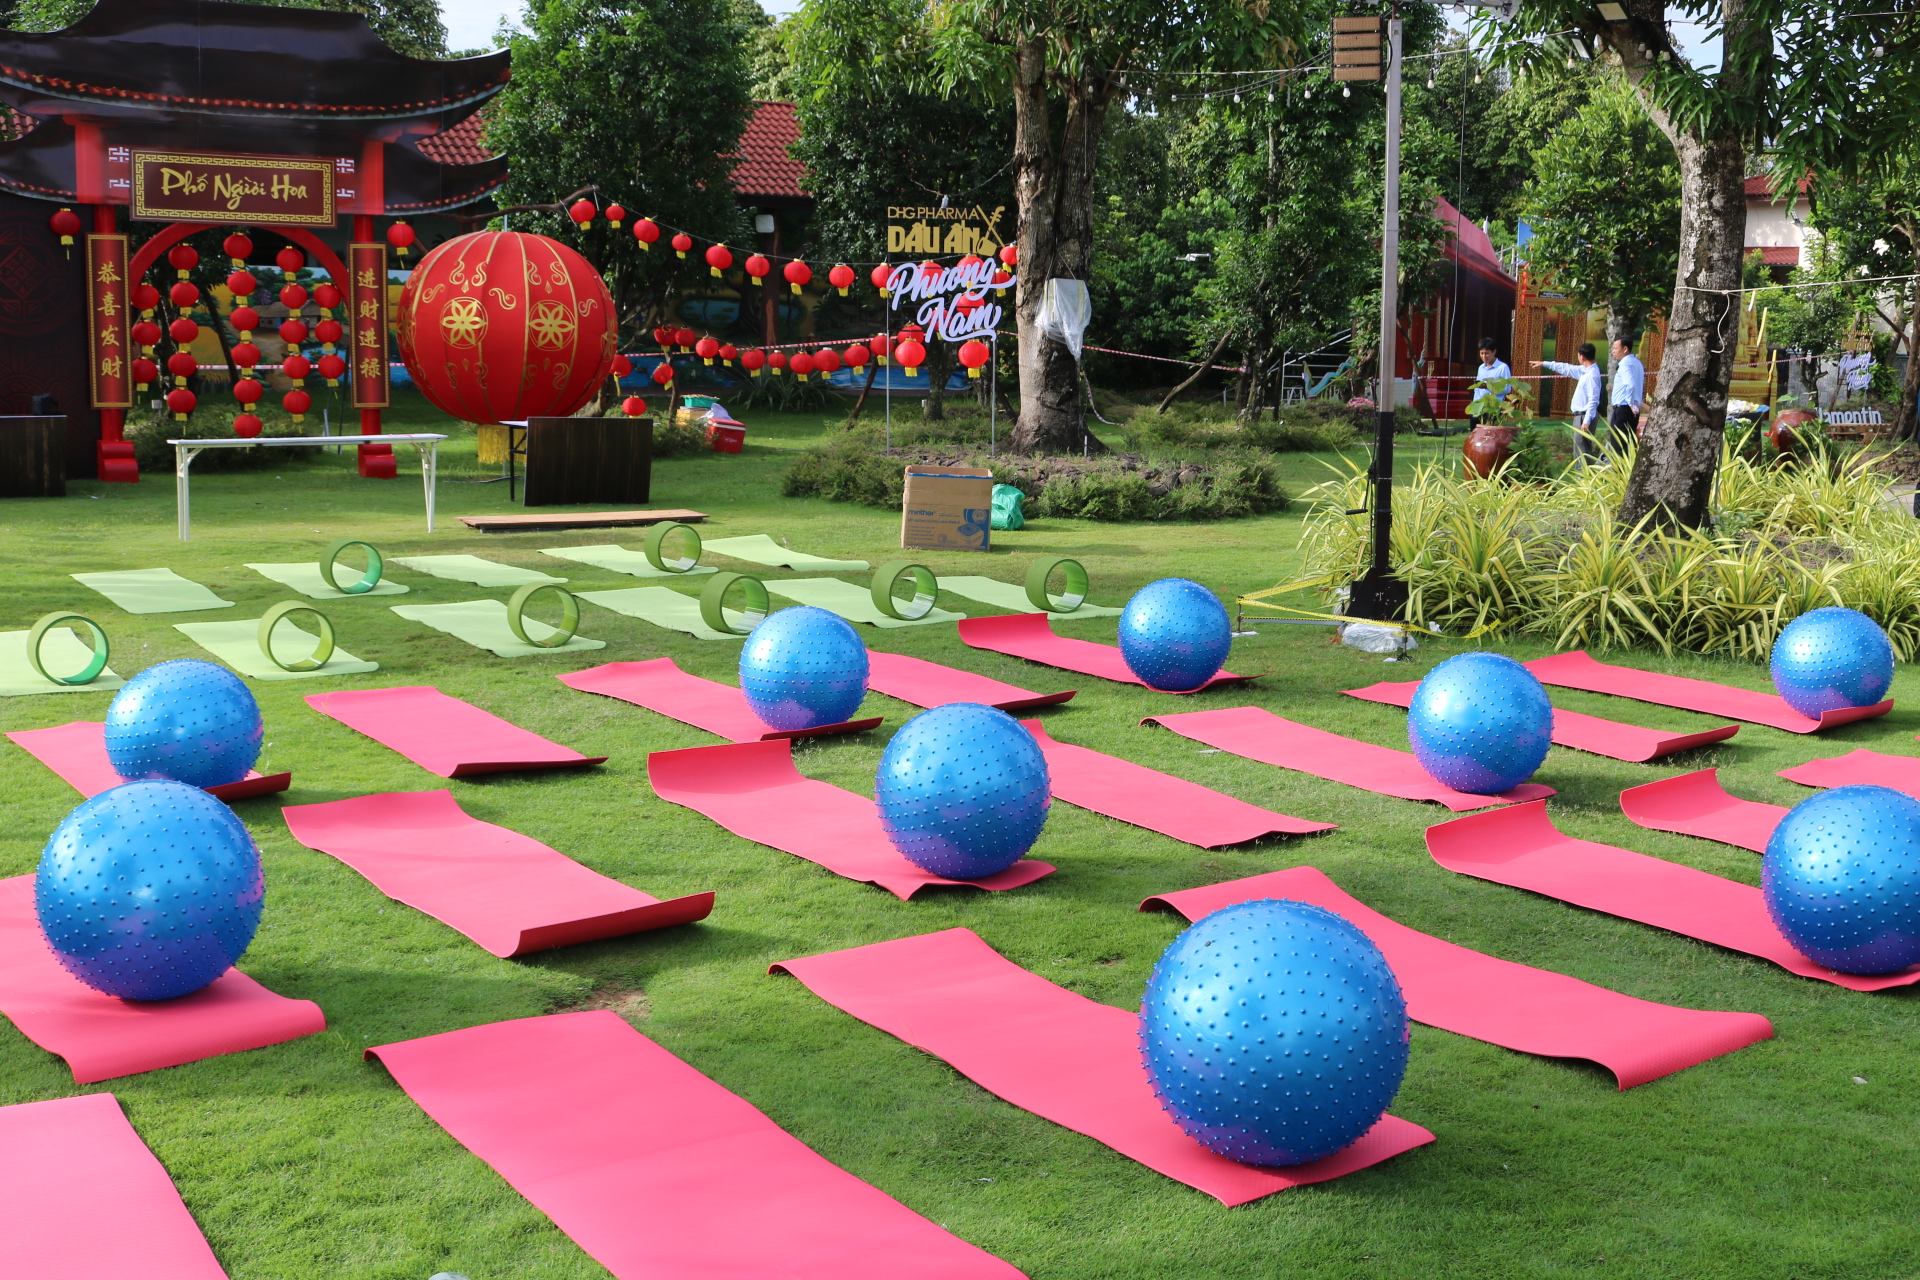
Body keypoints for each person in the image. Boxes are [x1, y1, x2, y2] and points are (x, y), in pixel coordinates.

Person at [1532, 343, 1605, 461]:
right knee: (1581, 451)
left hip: (1584, 416)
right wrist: (1544, 363)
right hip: (1582, 416)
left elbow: (1594, 399)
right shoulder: (1585, 371)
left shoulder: (1591, 375)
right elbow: (1566, 368)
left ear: (1582, 356)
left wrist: (1586, 421)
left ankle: (1583, 472)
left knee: (1582, 453)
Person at [1609, 336, 1645, 445]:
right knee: (1629, 444)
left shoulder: (1625, 364)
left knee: (1618, 445)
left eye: (1615, 348)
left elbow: (1630, 384)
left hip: (1624, 409)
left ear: (1625, 349)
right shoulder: (1637, 363)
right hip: (1633, 409)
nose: (1613, 351)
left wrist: (1630, 402)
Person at [1468, 338, 1512, 426]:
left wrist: (1488, 386)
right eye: (1482, 353)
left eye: (1487, 353)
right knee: (1474, 432)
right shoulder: (1481, 368)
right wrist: (1474, 401)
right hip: (1478, 407)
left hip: (1493, 408)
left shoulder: (1502, 367)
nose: (1484, 356)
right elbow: (1477, 387)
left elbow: (1507, 389)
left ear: (1494, 352)